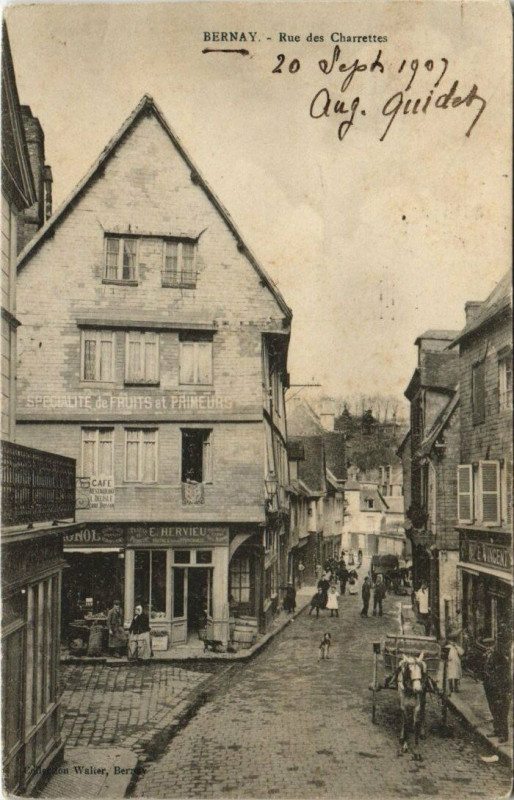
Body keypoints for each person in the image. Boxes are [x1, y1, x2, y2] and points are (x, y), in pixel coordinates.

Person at [483, 635, 511, 744]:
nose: (487, 648)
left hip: (500, 688)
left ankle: (504, 735)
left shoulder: (499, 656)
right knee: (493, 708)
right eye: (486, 646)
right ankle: (497, 730)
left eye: (489, 646)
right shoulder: (487, 655)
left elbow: (503, 674)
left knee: (502, 711)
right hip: (490, 686)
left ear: (494, 645)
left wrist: (501, 688)